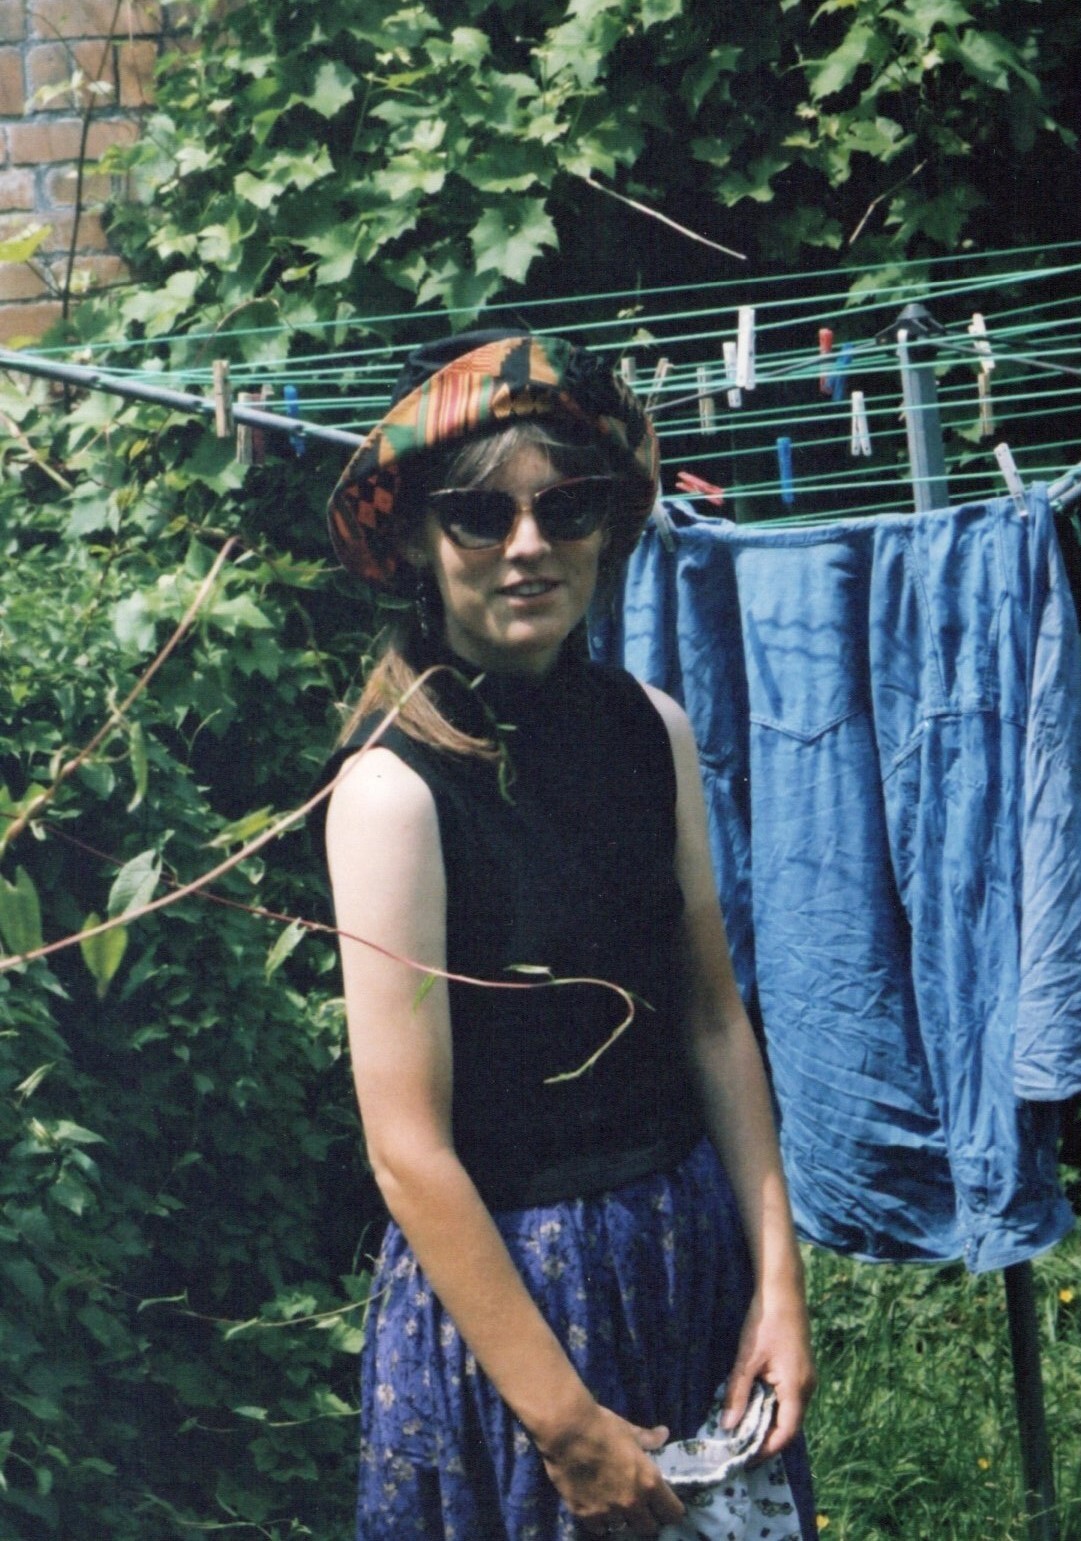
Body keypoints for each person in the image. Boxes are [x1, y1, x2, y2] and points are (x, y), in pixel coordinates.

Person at [321, 332, 817, 1541]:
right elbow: (407, 1153)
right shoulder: (394, 791)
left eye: (568, 505)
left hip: (687, 1262)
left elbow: (710, 1015)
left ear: (611, 524)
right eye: (482, 514)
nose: (530, 545)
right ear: (424, 549)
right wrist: (567, 1423)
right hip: (515, 1317)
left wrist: (778, 1279)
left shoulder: (652, 729)